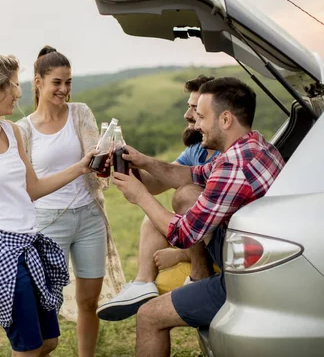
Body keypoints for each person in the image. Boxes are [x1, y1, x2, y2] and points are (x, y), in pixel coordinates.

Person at [111, 77, 285, 357]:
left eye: (202, 117)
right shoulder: (252, 146)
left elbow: (182, 234)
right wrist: (143, 160)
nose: (196, 123)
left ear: (225, 119)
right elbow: (192, 174)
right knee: (188, 192)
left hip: (246, 281)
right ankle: (199, 274)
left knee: (149, 316)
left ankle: (201, 281)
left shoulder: (234, 166)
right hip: (251, 256)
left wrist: (140, 196)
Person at [0, 54, 97, 357]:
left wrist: (81, 167)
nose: (19, 93)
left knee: (48, 342)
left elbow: (33, 189)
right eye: (14, 86)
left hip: (30, 243)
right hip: (1, 249)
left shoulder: (12, 132)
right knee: (29, 347)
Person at [17, 46, 125, 357]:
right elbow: (27, 187)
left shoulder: (80, 113)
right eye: (57, 83)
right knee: (43, 304)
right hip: (48, 223)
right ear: (38, 82)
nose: (64, 90)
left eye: (69, 82)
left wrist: (106, 159)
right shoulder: (24, 130)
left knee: (89, 301)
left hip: (89, 217)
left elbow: (95, 159)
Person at [97, 75, 219, 321]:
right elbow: (158, 181)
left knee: (186, 195)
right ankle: (142, 283)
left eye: (194, 108)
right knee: (151, 218)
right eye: (188, 106)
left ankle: (199, 274)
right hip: (197, 234)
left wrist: (180, 255)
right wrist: (130, 165)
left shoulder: (225, 154)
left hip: (218, 240)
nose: (187, 114)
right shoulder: (197, 150)